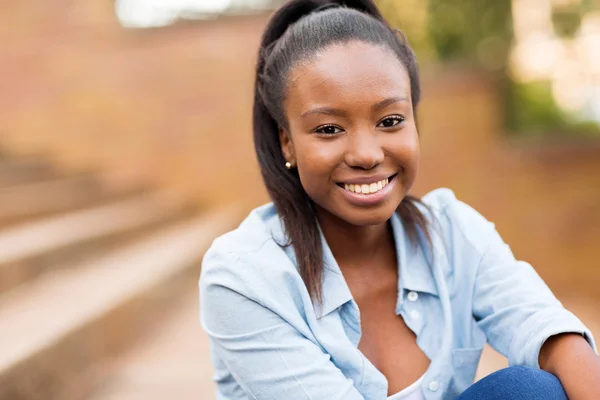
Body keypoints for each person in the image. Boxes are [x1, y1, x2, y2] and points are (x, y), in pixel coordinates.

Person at [199, 1, 600, 398]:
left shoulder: (453, 232)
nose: (367, 154)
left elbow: (553, 336)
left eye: (390, 121)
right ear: (287, 141)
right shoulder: (244, 277)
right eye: (328, 128)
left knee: (526, 391)